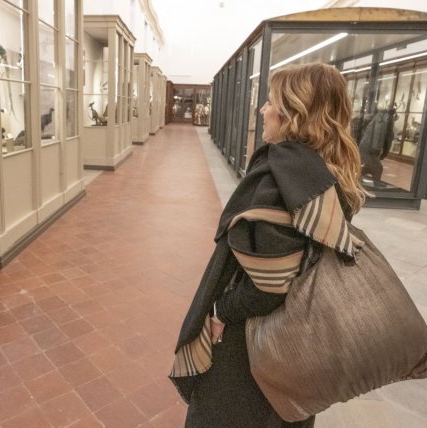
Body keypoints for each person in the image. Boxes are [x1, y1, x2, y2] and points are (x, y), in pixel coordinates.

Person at [169, 63, 367, 427]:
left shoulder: (283, 176)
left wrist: (221, 311)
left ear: (294, 113)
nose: (263, 109)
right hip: (299, 340)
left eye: (271, 101)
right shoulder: (325, 172)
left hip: (252, 343)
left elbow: (271, 283)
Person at [359, 108, 395, 188]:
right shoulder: (383, 118)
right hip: (370, 148)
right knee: (377, 168)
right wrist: (378, 150)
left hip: (367, 146)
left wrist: (383, 152)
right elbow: (379, 134)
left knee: (369, 166)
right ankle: (376, 185)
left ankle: (359, 180)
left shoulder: (380, 117)